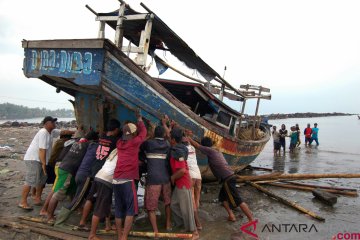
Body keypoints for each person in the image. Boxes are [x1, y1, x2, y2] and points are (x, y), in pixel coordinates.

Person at [186, 134, 254, 224]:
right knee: (222, 199)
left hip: (227, 179)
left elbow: (198, 146)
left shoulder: (209, 150)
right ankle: (231, 216)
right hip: (228, 178)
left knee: (238, 200)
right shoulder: (216, 151)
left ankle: (251, 220)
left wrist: (189, 139)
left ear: (206, 146)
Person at [19, 116, 73, 210]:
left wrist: (76, 132)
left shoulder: (51, 132)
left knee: (41, 180)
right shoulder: (43, 132)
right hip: (34, 159)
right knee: (30, 180)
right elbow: (42, 150)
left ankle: (37, 198)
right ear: (47, 123)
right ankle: (23, 202)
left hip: (42, 160)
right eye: (53, 122)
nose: (55, 124)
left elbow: (63, 132)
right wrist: (44, 164)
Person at [46, 131, 98, 223]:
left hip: (63, 167)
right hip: (68, 170)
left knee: (72, 190)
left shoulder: (77, 142)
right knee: (58, 194)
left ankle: (77, 208)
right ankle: (50, 216)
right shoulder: (88, 145)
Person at [79, 119, 121, 228]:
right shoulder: (116, 141)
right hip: (104, 172)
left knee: (90, 197)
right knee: (105, 199)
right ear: (116, 129)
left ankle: (82, 221)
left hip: (94, 170)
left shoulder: (101, 138)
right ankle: (106, 224)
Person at [113, 110, 147, 240]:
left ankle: (119, 235)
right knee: (130, 210)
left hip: (116, 179)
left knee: (119, 208)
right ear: (133, 134)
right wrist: (139, 119)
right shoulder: (134, 143)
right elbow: (143, 133)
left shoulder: (119, 143)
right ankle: (124, 237)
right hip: (127, 179)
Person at [140, 125, 172, 234]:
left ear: (154, 134)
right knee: (167, 202)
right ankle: (168, 224)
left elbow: (139, 145)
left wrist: (149, 135)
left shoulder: (148, 143)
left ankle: (155, 231)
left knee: (151, 207)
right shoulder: (168, 144)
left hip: (153, 179)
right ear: (163, 134)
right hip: (166, 178)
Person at [169, 128, 199, 240]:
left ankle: (194, 232)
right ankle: (184, 225)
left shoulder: (178, 151)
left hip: (183, 182)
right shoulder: (180, 148)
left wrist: (172, 177)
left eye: (170, 137)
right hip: (179, 183)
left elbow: (182, 171)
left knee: (187, 209)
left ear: (173, 139)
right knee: (174, 205)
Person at [88, 149, 118, 240]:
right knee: (100, 207)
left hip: (99, 176)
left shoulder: (114, 152)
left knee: (106, 203)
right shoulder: (123, 154)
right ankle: (92, 235)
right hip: (105, 180)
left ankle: (107, 225)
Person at [183, 131, 202, 230]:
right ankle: (196, 216)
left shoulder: (182, 149)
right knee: (197, 198)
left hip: (191, 175)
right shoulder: (193, 148)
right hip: (198, 175)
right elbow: (189, 142)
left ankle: (197, 222)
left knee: (192, 199)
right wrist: (188, 137)